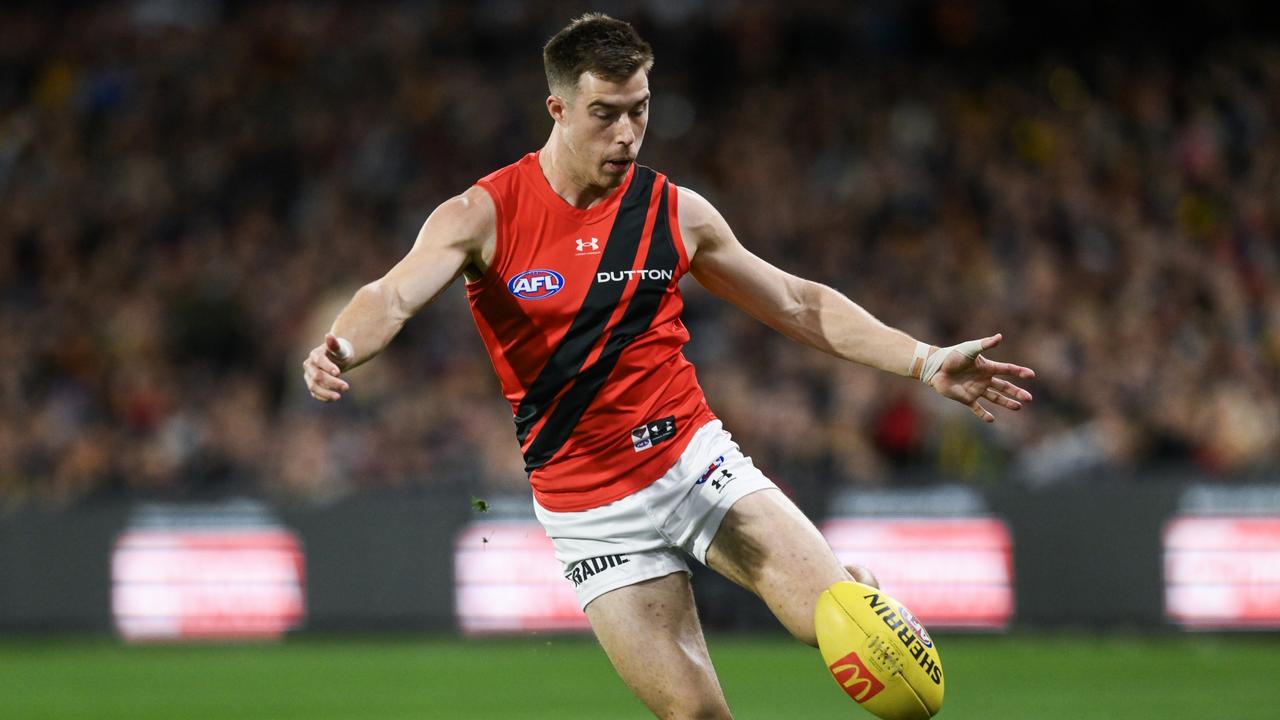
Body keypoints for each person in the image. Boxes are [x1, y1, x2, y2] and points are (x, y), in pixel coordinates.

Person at [303, 13, 1034, 719]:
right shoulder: (482, 214)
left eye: (640, 109)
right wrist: (340, 346)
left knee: (836, 623)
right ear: (557, 108)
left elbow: (797, 303)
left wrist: (925, 359)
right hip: (591, 513)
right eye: (604, 113)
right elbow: (392, 294)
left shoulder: (674, 212)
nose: (626, 133)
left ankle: (849, 589)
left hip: (695, 464)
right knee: (697, 716)